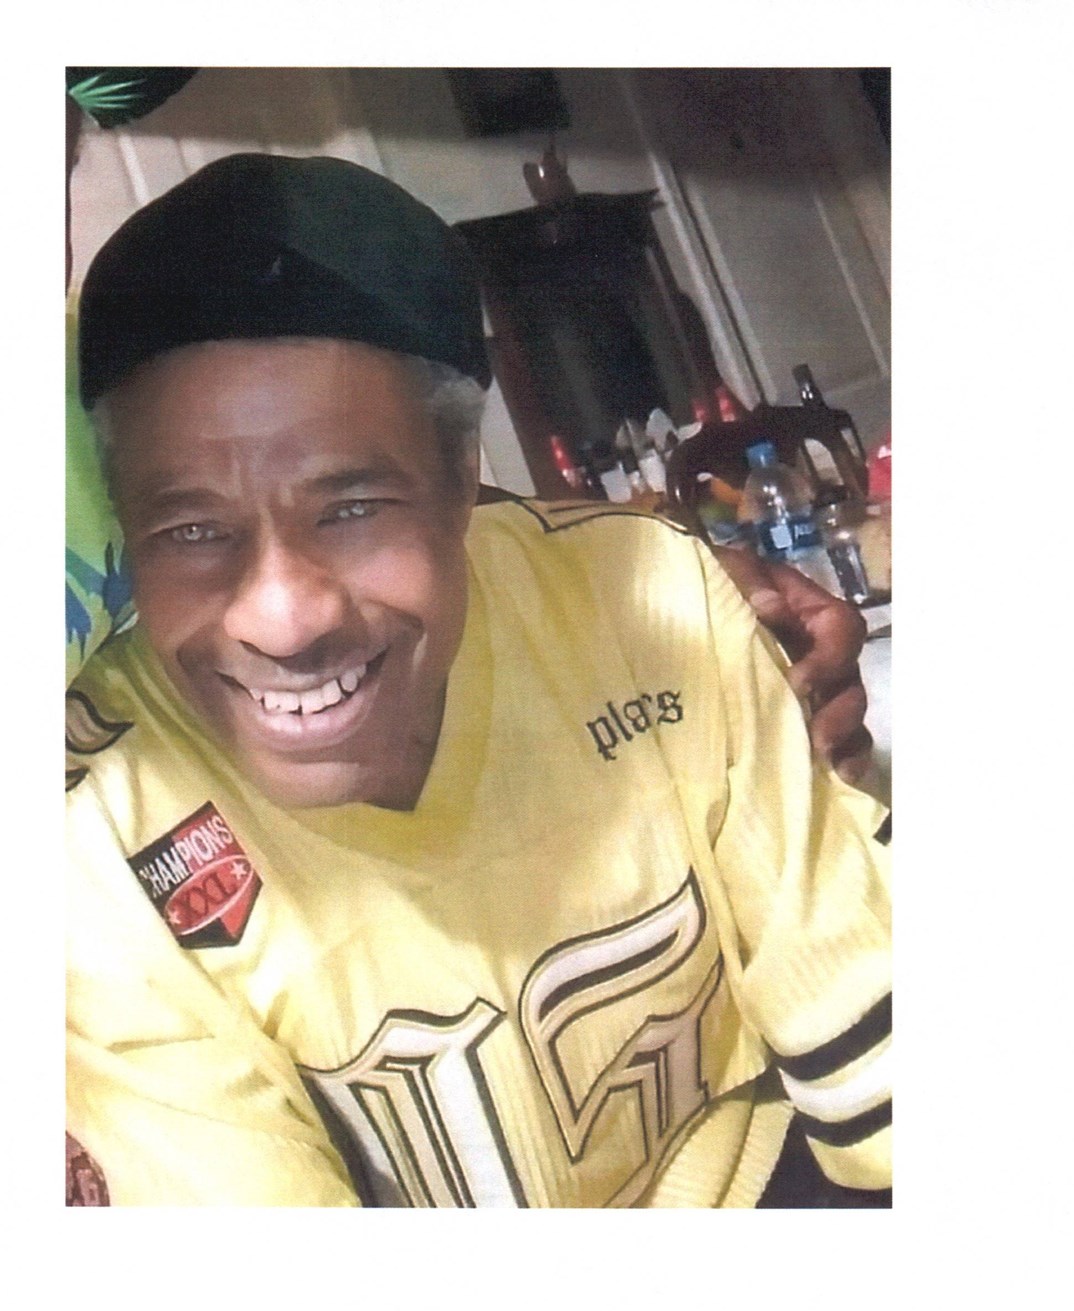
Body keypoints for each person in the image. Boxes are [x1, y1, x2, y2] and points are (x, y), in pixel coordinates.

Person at [66, 152, 891, 1208]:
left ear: (464, 478)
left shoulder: (651, 598)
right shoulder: (90, 832)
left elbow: (871, 1046)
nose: (283, 618)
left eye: (351, 509)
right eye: (190, 530)